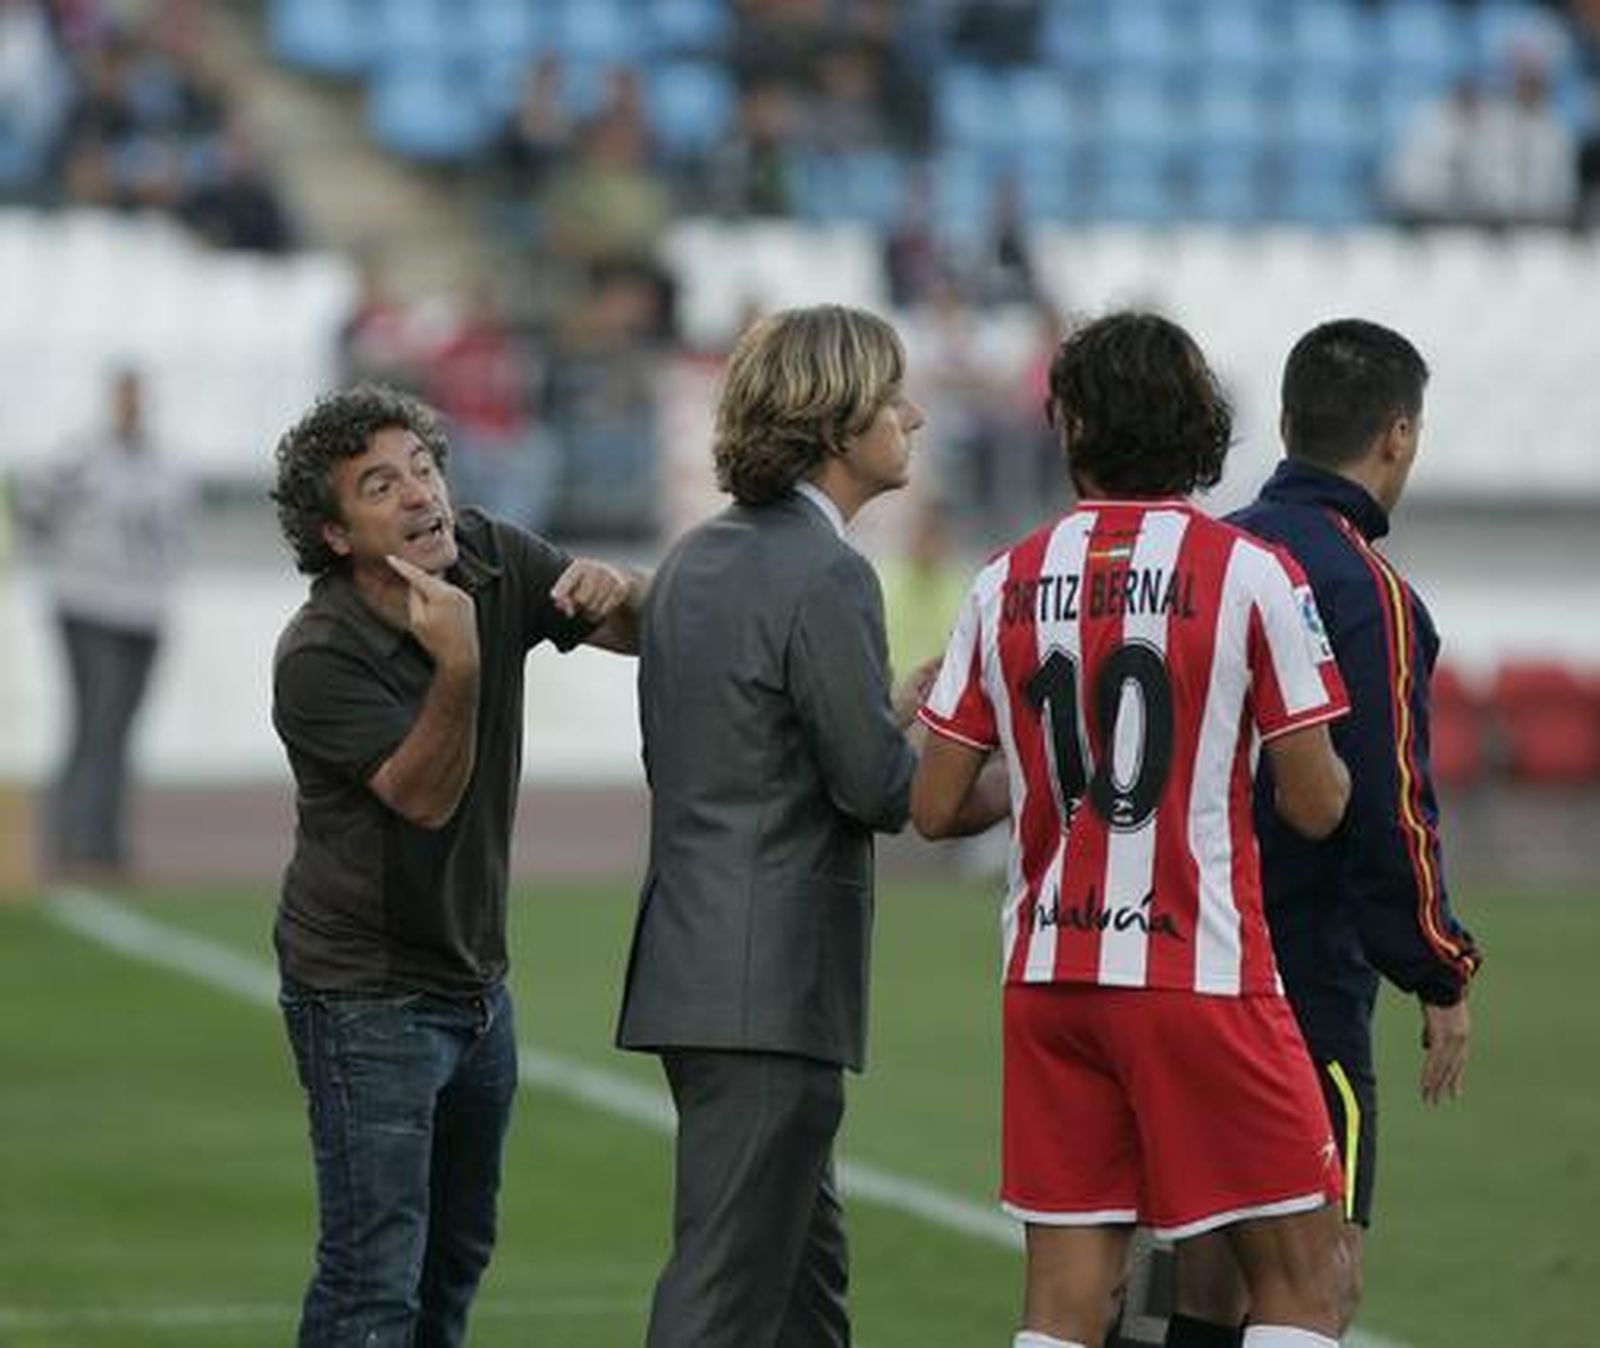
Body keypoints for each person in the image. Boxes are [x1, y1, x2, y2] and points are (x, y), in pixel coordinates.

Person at [912, 311, 1355, 1348]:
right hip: (1195, 969)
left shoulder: (1003, 578)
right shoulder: (1249, 571)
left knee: (1064, 1306)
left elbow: (933, 807)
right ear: (1196, 423)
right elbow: (1316, 800)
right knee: (1304, 1281)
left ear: (1068, 428)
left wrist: (1052, 790)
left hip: (1047, 975)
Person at [616, 305, 967, 1347]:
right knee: (722, 1293)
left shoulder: (692, 558)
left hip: (693, 962)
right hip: (769, 984)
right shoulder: (828, 571)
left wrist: (885, 709)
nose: (911, 414)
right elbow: (877, 790)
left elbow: (735, 745)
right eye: (890, 394)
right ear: (833, 420)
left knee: (806, 1288)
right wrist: (1021, 771)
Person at [268, 383, 645, 1348]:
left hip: (478, 985)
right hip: (365, 995)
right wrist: (463, 666)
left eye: (423, 467)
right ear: (335, 533)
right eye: (379, 485)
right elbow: (426, 799)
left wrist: (622, 591)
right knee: (372, 1280)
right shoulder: (319, 653)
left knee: (456, 1262)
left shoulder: (488, 553)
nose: (420, 495)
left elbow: (637, 632)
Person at [1164, 320, 1483, 1348]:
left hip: (1165, 965)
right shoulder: (1366, 594)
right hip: (1298, 979)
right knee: (1316, 1277)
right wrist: (1438, 970)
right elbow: (1389, 808)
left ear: (1290, 425)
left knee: (1193, 1272)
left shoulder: (1203, 559)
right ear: (1395, 436)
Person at [12, 366, 191, 879]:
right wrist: (61, 560)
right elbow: (34, 503)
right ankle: (87, 838)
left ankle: (94, 834)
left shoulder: (166, 461)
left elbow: (178, 533)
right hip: (88, 603)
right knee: (99, 717)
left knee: (118, 724)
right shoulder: (82, 455)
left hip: (145, 608)